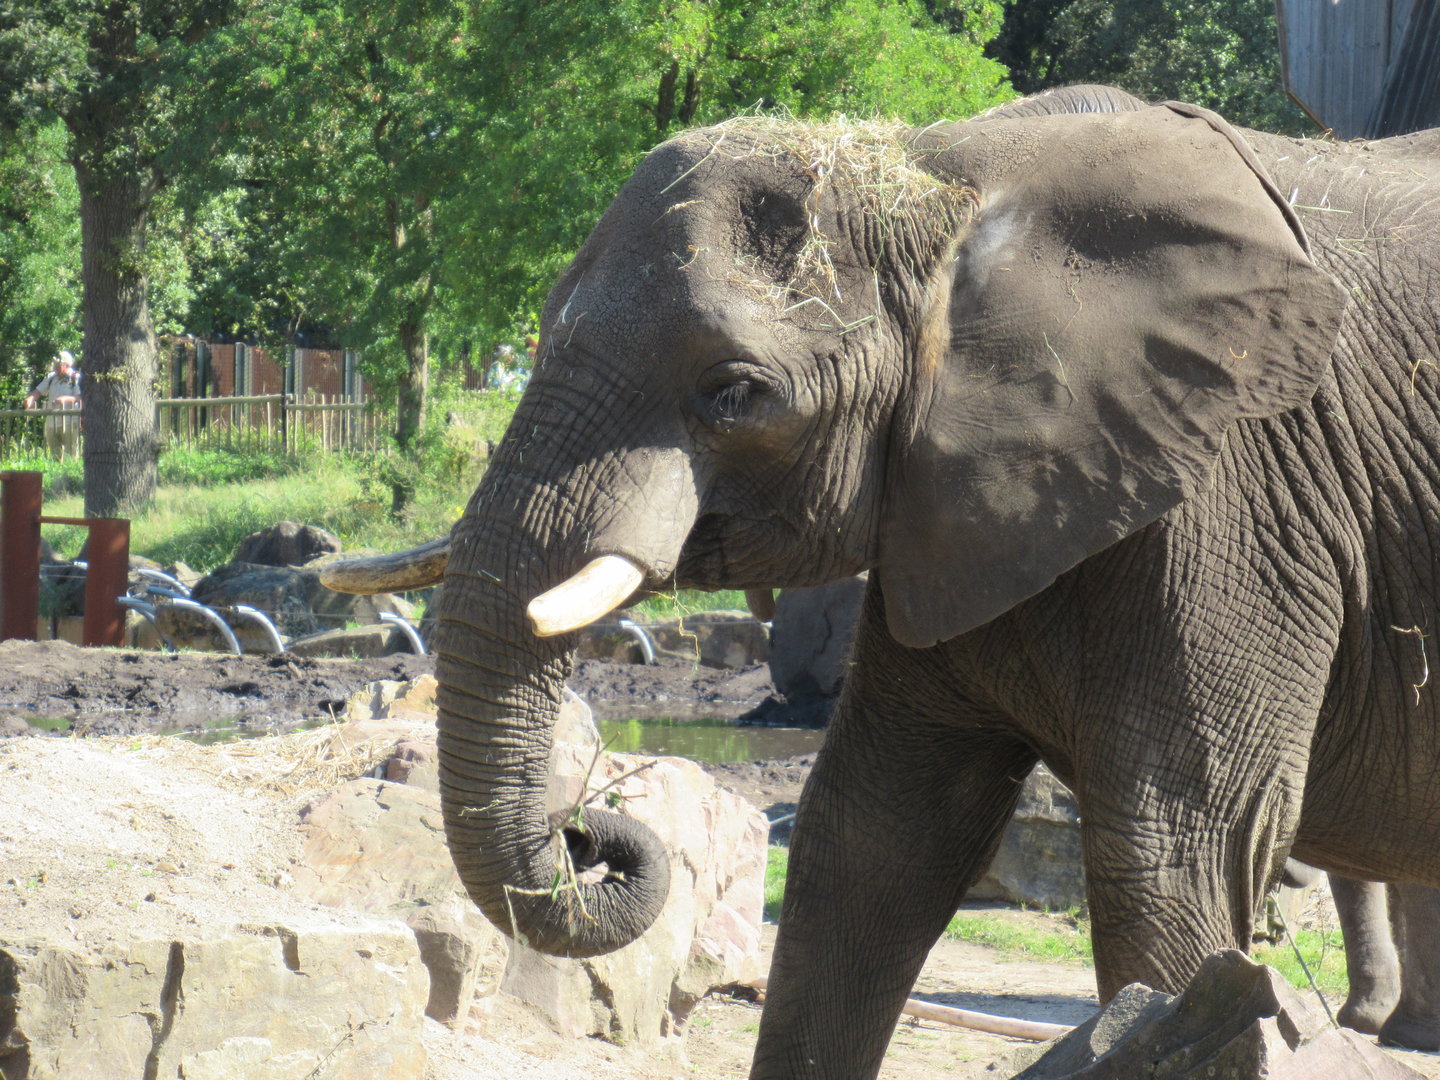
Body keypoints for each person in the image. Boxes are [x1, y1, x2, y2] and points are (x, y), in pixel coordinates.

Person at [24, 350, 82, 460]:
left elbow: (80, 397)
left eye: (58, 365)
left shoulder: (75, 377)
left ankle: (70, 476)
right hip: (51, 422)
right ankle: (56, 476)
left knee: (71, 457)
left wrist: (66, 399)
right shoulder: (51, 377)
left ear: (67, 365)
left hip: (70, 422)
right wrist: (31, 398)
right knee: (55, 456)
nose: (55, 367)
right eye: (55, 364)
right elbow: (38, 391)